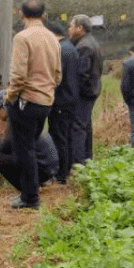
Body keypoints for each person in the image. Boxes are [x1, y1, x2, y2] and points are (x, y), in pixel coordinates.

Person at [4, 0, 61, 210]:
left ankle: (30, 197)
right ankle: (33, 191)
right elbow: (57, 74)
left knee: (24, 150)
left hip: (26, 101)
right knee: (33, 145)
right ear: (44, 15)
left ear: (22, 15)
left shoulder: (22, 37)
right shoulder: (53, 38)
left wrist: (10, 96)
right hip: (46, 100)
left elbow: (18, 75)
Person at [68, 14, 104, 166]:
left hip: (85, 92)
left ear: (79, 28)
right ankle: (87, 159)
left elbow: (82, 73)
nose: (69, 29)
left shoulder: (84, 46)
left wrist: (73, 92)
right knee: (86, 125)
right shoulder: (92, 42)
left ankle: (78, 163)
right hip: (93, 89)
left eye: (71, 26)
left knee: (78, 127)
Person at [46, 21, 79, 184]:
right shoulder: (70, 48)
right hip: (71, 98)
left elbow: (56, 77)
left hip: (61, 100)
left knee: (59, 137)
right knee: (67, 136)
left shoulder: (60, 50)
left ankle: (61, 175)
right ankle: (67, 170)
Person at [0, 124, 59, 193]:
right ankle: (39, 183)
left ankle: (28, 190)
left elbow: (6, 148)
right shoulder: (33, 122)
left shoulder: (18, 125)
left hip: (41, 172)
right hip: (51, 170)